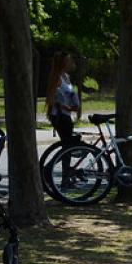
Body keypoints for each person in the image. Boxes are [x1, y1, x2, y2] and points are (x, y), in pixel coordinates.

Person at [45, 51, 80, 186]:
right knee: (67, 147)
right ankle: (57, 173)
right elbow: (50, 98)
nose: (70, 63)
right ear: (62, 62)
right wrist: (61, 105)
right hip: (60, 116)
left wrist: (73, 105)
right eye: (67, 61)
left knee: (67, 147)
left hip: (67, 114)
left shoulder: (66, 77)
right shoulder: (57, 78)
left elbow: (69, 94)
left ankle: (60, 173)